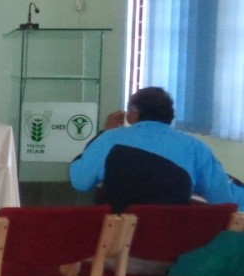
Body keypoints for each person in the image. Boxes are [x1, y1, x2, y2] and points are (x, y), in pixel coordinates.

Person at [69, 87, 244, 213]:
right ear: (171, 115)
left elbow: (81, 182)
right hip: (170, 251)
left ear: (133, 113)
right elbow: (224, 199)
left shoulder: (110, 139)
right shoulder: (195, 148)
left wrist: (103, 134)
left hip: (115, 246)